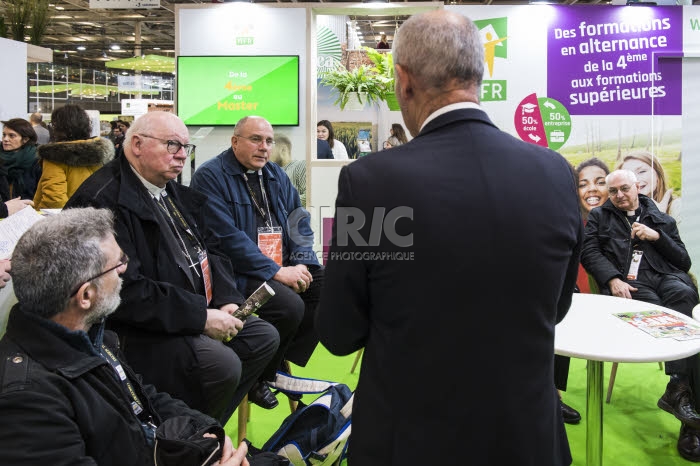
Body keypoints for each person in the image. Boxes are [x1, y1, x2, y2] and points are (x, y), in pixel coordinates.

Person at [316, 10, 581, 466]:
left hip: (410, 439)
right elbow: (556, 306)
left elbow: (341, 332)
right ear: (477, 75)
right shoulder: (555, 173)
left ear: (404, 80)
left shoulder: (373, 182)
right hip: (527, 436)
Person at [64, 111, 279, 425]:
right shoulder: (101, 201)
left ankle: (201, 430)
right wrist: (200, 317)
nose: (181, 156)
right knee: (221, 364)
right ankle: (185, 439)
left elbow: (213, 248)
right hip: (136, 329)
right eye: (172, 145)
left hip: (189, 308)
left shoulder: (174, 191)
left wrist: (226, 298)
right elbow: (126, 291)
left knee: (262, 337)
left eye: (186, 148)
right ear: (136, 144)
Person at [0, 207, 250, 465]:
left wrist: (211, 434)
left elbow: (144, 399)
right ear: (86, 295)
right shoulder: (27, 400)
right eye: (117, 264)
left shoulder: (91, 337)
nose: (124, 270)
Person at [190, 116, 323, 410]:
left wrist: (302, 262)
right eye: (255, 139)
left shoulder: (276, 174)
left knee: (324, 287)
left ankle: (271, 369)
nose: (264, 147)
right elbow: (226, 238)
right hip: (239, 272)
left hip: (281, 263)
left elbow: (299, 221)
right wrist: (276, 271)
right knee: (290, 306)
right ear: (235, 141)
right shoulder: (210, 176)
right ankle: (261, 377)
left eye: (268, 141)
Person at [581, 169, 700, 461]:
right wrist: (611, 279)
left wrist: (657, 236)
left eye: (625, 189)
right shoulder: (599, 217)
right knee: (653, 308)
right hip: (629, 284)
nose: (619, 195)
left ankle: (678, 389)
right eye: (614, 191)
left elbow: (683, 261)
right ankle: (689, 416)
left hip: (666, 277)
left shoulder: (661, 218)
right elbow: (589, 250)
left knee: (686, 300)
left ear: (637, 188)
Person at [33, 104, 114, 209]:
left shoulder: (54, 155)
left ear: (58, 127)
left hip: (65, 220)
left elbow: (54, 201)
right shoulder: (102, 152)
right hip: (96, 215)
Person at [618, 150, 680, 219]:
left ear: (658, 174)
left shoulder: (678, 207)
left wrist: (661, 219)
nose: (635, 180)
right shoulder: (618, 211)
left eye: (642, 171)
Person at [0, 118, 40, 201]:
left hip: (30, 209)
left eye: (11, 135)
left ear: (25, 139)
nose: (5, 139)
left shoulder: (36, 160)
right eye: (4, 135)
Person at [270, 135, 307, 206]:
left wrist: (278, 203)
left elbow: (308, 196)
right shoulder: (270, 172)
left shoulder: (300, 165)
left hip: (295, 216)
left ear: (283, 149)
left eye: (271, 148)